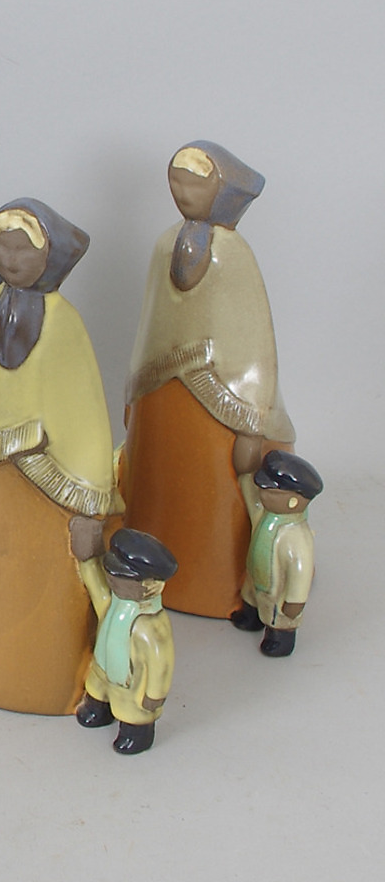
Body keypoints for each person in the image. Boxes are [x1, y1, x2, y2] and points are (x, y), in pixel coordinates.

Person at [0, 199, 119, 713]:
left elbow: (86, 416)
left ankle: (43, 681)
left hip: (48, 486)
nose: (11, 259)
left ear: (49, 255)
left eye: (24, 248)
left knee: (41, 589)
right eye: (2, 246)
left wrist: (92, 503)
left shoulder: (65, 324)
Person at [121, 141, 295, 618]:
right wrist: (134, 389)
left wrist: (252, 421)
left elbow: (256, 344)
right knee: (160, 488)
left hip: (219, 401)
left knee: (218, 499)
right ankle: (152, 577)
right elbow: (150, 323)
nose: (182, 193)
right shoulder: (164, 246)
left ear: (220, 191)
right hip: (162, 394)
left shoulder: (233, 255)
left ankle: (223, 587)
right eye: (175, 183)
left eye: (195, 184)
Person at [70, 520, 177, 755]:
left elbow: (161, 662)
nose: (112, 579)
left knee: (134, 712)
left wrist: (155, 696)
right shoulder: (114, 604)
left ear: (150, 585)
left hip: (132, 685)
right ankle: (97, 708)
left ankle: (136, 734)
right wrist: (87, 557)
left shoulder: (150, 625)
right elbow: (96, 586)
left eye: (122, 577)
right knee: (97, 689)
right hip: (103, 670)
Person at [232, 450, 322, 657]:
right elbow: (248, 488)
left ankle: (280, 639)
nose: (261, 493)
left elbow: (301, 570)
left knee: (278, 614)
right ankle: (250, 616)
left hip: (276, 589)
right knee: (253, 596)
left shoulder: (297, 536)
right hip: (256, 577)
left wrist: (295, 601)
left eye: (269, 491)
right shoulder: (265, 515)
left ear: (293, 501)